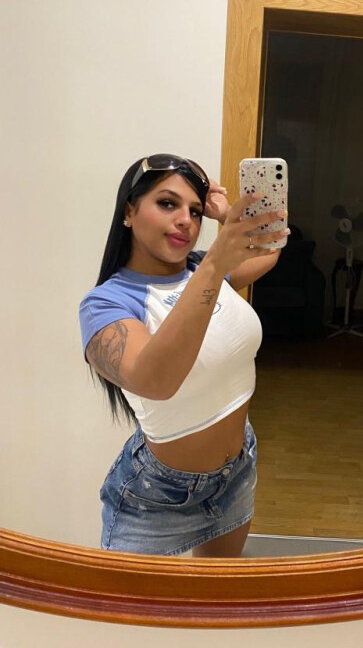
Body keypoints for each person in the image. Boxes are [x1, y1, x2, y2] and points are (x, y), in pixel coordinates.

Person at [79, 153, 288, 557]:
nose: (186, 221)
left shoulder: (199, 268)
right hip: (159, 496)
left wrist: (225, 215)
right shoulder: (106, 303)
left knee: (215, 592)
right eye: (167, 203)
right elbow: (155, 381)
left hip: (237, 470)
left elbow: (269, 251)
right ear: (129, 211)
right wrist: (215, 263)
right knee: (131, 600)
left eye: (194, 211)